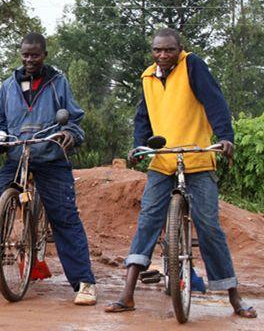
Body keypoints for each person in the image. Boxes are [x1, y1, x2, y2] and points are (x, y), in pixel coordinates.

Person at [105, 28, 257, 318]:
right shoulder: (148, 77)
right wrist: (140, 145)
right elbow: (143, 116)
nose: (162, 55)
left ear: (180, 49)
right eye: (157, 50)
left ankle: (234, 297)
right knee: (148, 219)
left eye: (169, 50)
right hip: (162, 161)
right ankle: (127, 294)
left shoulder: (193, 65)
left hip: (197, 158)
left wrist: (225, 137)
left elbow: (215, 102)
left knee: (209, 224)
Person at [0, 32, 97, 305]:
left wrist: (69, 132)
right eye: (25, 54)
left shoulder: (58, 82)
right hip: (17, 156)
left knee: (64, 216)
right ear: (20, 54)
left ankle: (84, 283)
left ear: (44, 54)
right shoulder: (8, 85)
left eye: (35, 55)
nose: (29, 59)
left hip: (51, 156)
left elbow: (74, 118)